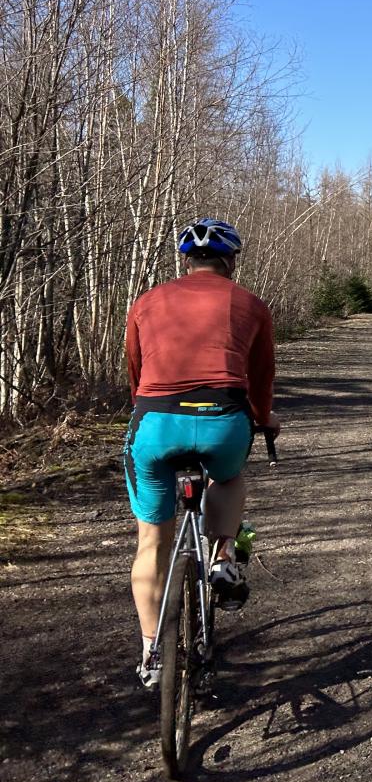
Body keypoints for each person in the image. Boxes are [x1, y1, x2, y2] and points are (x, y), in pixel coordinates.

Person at [124, 218, 278, 689]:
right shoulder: (250, 304)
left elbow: (134, 370)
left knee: (151, 543)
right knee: (228, 478)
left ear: (186, 261)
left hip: (155, 422)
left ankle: (152, 651)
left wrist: (149, 411)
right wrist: (265, 418)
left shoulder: (148, 301)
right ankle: (223, 556)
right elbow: (261, 376)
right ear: (230, 262)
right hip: (224, 421)